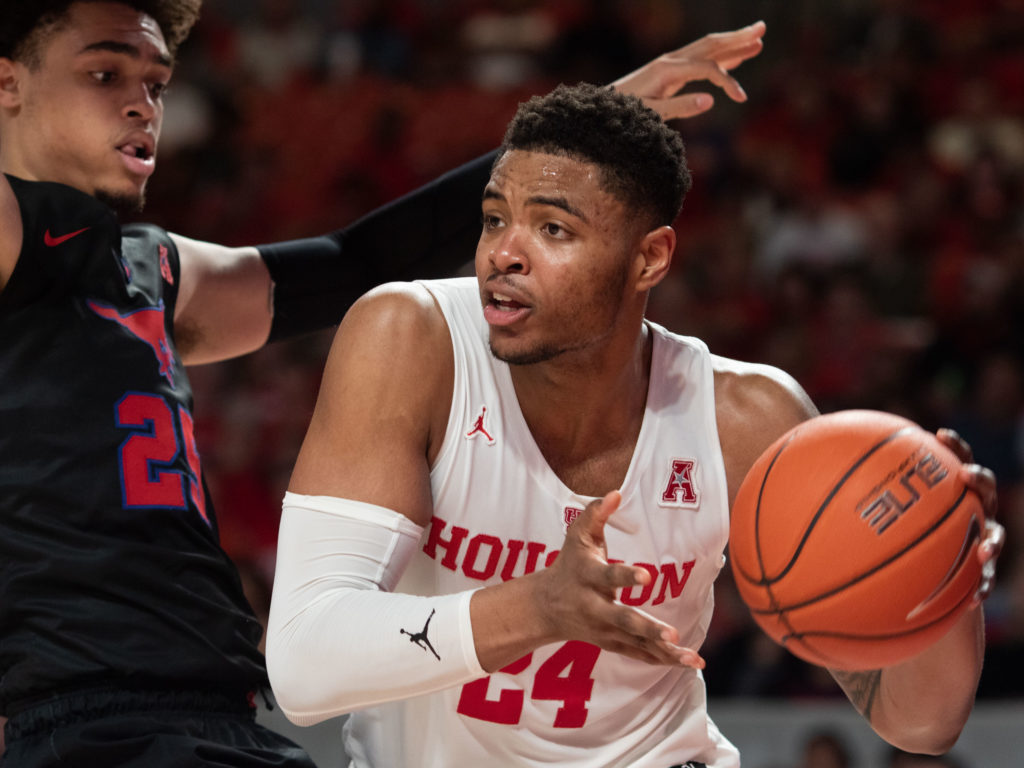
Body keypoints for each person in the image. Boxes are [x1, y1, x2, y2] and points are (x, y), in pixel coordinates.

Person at [0, 0, 770, 765]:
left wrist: (586, 135)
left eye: (158, 84)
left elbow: (355, 262)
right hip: (81, 714)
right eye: (104, 73)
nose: (141, 103)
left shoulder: (150, 268)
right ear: (8, 84)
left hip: (212, 712)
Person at [266, 83, 1005, 767]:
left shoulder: (744, 419)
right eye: (495, 219)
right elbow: (302, 665)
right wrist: (536, 607)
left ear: (649, 257)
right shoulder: (412, 339)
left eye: (552, 227)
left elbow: (917, 723)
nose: (503, 253)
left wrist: (943, 567)